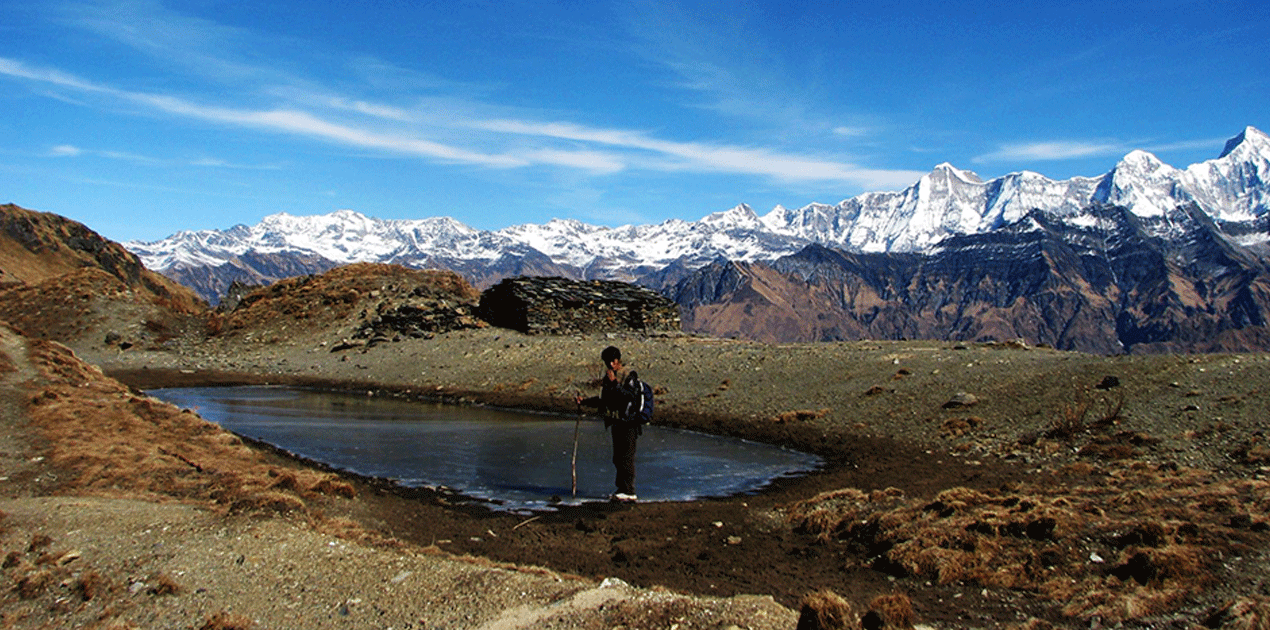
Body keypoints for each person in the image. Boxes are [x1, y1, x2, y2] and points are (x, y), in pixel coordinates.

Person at [575, 345, 641, 503]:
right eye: (607, 362)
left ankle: (629, 491)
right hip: (616, 422)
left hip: (628, 422)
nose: (609, 365)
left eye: (610, 361)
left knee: (626, 457)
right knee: (618, 458)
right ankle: (622, 489)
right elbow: (605, 401)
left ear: (616, 361)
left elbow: (629, 397)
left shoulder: (629, 375)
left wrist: (615, 384)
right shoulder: (609, 377)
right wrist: (585, 402)